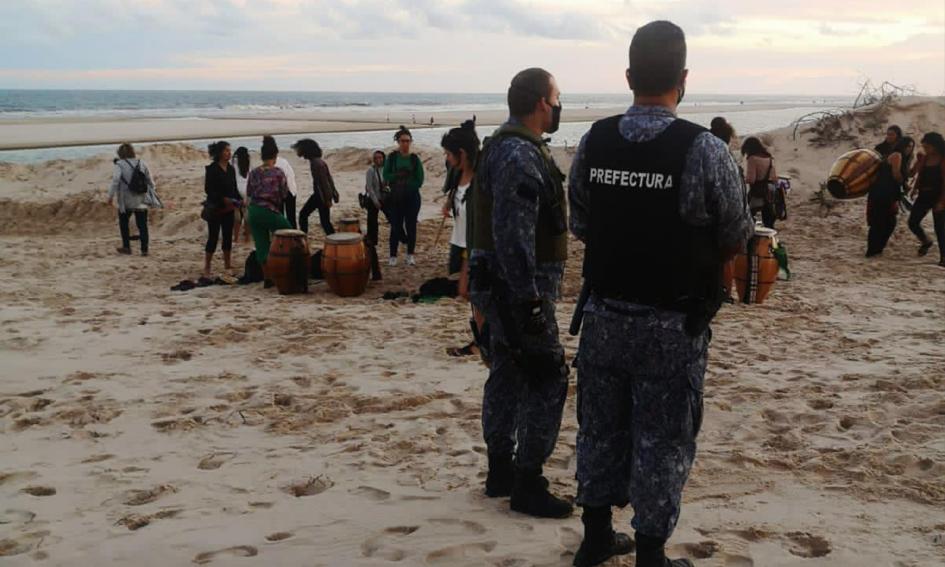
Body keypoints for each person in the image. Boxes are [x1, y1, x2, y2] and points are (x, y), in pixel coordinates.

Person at [568, 21, 752, 567]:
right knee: (663, 440)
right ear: (684, 79)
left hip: (602, 316)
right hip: (671, 326)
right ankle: (650, 552)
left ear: (628, 76)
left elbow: (582, 223)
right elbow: (734, 233)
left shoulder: (593, 140)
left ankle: (596, 537)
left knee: (598, 429)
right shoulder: (704, 149)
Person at [467, 67, 572, 519]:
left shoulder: (502, 147)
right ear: (540, 104)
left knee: (506, 373)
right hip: (519, 292)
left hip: (501, 288)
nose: (559, 105)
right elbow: (513, 235)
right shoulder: (518, 156)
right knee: (549, 376)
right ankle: (527, 480)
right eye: (556, 97)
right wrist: (529, 301)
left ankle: (500, 472)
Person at [440, 120, 480, 357]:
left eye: (448, 153)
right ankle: (481, 340)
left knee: (474, 294)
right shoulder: (458, 176)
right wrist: (449, 203)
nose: (446, 158)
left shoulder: (481, 181)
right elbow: (457, 195)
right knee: (469, 296)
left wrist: (469, 257)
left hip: (473, 246)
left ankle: (481, 344)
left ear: (461, 154)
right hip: (459, 241)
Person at [107, 143, 162, 256]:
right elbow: (150, 182)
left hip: (126, 199)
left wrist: (110, 196)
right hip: (141, 198)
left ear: (120, 153)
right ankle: (144, 250)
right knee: (142, 224)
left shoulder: (119, 164)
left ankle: (127, 247)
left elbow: (115, 181)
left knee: (124, 222)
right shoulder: (141, 163)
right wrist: (151, 193)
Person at [246, 137, 292, 270]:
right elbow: (283, 194)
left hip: (254, 211)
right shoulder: (278, 172)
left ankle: (267, 276)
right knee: (289, 235)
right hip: (269, 209)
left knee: (262, 246)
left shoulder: (254, 172)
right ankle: (284, 268)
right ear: (275, 156)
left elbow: (249, 192)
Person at [383, 126, 425, 266]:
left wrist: (408, 185)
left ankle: (410, 255)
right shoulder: (392, 158)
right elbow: (386, 175)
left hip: (412, 197)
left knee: (411, 226)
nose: (405, 144)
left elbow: (420, 180)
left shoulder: (414, 159)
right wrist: (397, 177)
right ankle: (393, 255)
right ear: (398, 142)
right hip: (396, 197)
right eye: (402, 141)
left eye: (408, 141)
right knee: (395, 226)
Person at [867, 136, 914, 257]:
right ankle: (873, 250)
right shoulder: (897, 155)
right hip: (882, 192)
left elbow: (904, 174)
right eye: (908, 146)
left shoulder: (901, 157)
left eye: (912, 147)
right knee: (881, 222)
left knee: (888, 222)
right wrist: (904, 184)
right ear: (902, 145)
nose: (909, 149)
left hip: (888, 193)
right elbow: (896, 174)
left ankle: (876, 249)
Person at [202, 141, 241, 277]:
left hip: (229, 208)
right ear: (219, 153)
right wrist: (223, 198)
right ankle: (207, 266)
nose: (229, 153)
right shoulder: (212, 169)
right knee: (213, 237)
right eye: (226, 151)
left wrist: (239, 200)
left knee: (227, 237)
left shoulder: (230, 169)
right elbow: (208, 190)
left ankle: (227, 263)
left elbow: (234, 188)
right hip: (215, 208)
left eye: (230, 151)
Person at [907, 132, 945, 264]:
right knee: (912, 222)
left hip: (939, 195)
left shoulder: (943, 159)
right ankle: (926, 241)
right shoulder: (924, 158)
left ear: (935, 146)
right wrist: (914, 189)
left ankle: (943, 257)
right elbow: (915, 174)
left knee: (940, 228)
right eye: (924, 146)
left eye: (927, 146)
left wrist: (941, 201)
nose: (925, 149)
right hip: (924, 194)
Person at [292, 138, 338, 236]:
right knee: (325, 222)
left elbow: (324, 183)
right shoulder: (318, 161)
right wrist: (333, 194)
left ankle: (303, 239)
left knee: (304, 215)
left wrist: (328, 199)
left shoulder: (316, 163)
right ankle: (334, 241)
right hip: (320, 195)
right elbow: (329, 180)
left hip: (320, 196)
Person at [261, 135, 299, 228]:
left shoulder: (271, 163)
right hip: (290, 189)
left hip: (282, 191)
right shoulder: (283, 161)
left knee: (280, 217)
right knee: (291, 217)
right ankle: (293, 237)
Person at [363, 150, 390, 280]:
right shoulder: (370, 171)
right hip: (373, 200)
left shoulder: (386, 169)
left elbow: (388, 183)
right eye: (376, 158)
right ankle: (372, 241)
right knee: (372, 223)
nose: (378, 160)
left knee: (392, 218)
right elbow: (370, 188)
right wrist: (375, 201)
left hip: (384, 198)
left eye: (380, 157)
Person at [741, 136, 778, 228]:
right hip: (770, 190)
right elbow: (774, 178)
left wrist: (742, 179)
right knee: (768, 220)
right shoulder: (769, 157)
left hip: (758, 191)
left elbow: (751, 179)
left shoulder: (752, 158)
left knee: (747, 214)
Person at [232, 146, 251, 243]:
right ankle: (247, 238)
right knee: (247, 215)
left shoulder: (233, 162)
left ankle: (235, 238)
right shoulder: (247, 163)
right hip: (246, 190)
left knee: (237, 216)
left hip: (236, 190)